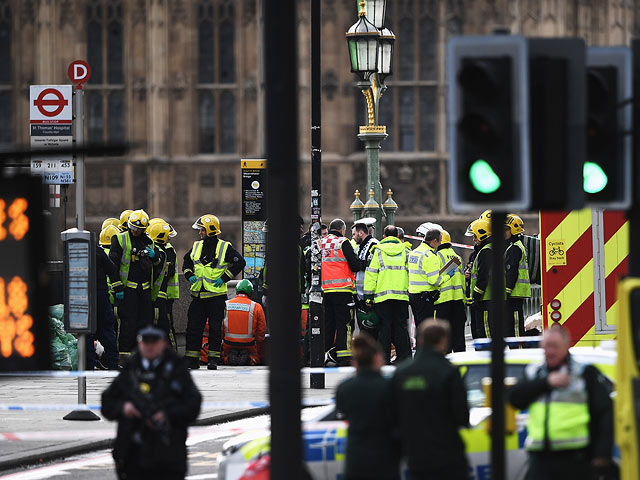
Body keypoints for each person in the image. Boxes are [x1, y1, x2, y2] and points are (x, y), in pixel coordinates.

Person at [509, 324, 613, 480]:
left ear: (566, 346)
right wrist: (546, 382)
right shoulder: (534, 372)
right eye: (545, 347)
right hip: (540, 458)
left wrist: (602, 453)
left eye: (554, 346)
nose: (549, 351)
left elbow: (605, 413)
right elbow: (515, 399)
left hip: (575, 458)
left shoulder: (583, 373)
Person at [102, 326, 202, 480]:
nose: (149, 347)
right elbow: (108, 402)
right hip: (133, 454)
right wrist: (124, 408)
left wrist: (167, 414)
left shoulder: (176, 368)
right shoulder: (131, 369)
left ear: (162, 344)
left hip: (167, 455)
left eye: (153, 343)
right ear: (139, 344)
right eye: (145, 343)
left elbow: (193, 404)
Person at [390, 319, 470, 480]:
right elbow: (461, 416)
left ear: (420, 340)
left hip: (415, 453)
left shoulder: (402, 373)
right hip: (447, 451)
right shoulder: (448, 371)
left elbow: (392, 414)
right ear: (443, 341)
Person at [182, 214, 245, 370]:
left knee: (215, 329)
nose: (200, 233)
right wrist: (189, 275)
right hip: (198, 296)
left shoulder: (224, 247)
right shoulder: (196, 246)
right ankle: (192, 360)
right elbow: (186, 263)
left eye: (202, 230)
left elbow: (240, 262)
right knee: (193, 329)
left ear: (210, 230)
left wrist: (224, 278)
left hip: (216, 297)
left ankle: (213, 360)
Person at [336, 334, 399, 480]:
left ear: (355, 362)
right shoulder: (389, 387)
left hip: (356, 455)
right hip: (385, 455)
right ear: (376, 358)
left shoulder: (345, 388)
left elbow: (344, 413)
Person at [109, 209, 164, 365]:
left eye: (138, 229)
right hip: (128, 291)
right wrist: (118, 288)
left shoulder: (149, 242)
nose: (134, 231)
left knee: (145, 323)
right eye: (132, 227)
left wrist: (155, 257)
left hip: (145, 290)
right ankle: (124, 358)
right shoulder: (120, 240)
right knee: (127, 324)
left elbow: (159, 262)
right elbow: (112, 266)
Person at [364, 225, 411, 364]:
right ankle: (405, 358)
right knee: (401, 327)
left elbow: (371, 275)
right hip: (402, 296)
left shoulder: (377, 252)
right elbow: (411, 273)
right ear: (397, 236)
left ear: (384, 236)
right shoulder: (406, 251)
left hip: (382, 298)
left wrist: (368, 296)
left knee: (384, 328)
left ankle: (383, 359)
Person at [320, 218, 362, 366]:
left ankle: (324, 353)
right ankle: (344, 356)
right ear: (342, 230)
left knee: (328, 324)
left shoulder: (321, 243)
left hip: (326, 290)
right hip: (343, 290)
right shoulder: (343, 242)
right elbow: (355, 265)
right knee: (344, 324)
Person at [87, 225, 121, 370]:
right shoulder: (98, 251)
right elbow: (112, 269)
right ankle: (113, 363)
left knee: (86, 331)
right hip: (100, 293)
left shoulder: (76, 252)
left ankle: (89, 363)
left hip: (83, 295)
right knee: (107, 329)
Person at [408, 228, 452, 330]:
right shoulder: (430, 255)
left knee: (419, 327)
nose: (440, 244)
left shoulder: (414, 252)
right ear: (434, 241)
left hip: (413, 296)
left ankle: (419, 346)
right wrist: (447, 276)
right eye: (440, 241)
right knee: (427, 329)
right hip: (425, 298)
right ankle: (426, 346)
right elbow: (434, 281)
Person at [147, 219, 179, 349]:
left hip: (165, 295)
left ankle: (172, 353)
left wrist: (157, 260)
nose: (169, 239)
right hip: (153, 294)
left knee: (166, 325)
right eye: (167, 236)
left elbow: (168, 272)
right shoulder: (151, 248)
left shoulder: (168, 251)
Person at [434, 230, 467, 352]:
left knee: (444, 336)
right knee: (458, 335)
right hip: (458, 300)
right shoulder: (457, 257)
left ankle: (446, 359)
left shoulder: (437, 256)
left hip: (442, 300)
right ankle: (460, 360)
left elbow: (436, 278)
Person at [222, 279, 266, 365]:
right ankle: (251, 359)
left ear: (236, 291)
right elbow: (262, 330)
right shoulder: (256, 306)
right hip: (249, 344)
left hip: (228, 343)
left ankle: (227, 358)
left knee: (224, 354)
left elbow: (218, 325)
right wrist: (258, 340)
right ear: (251, 292)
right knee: (256, 355)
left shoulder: (226, 304)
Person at [504, 214, 531, 337]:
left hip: (514, 294)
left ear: (513, 230)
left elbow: (512, 272)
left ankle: (518, 352)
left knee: (515, 329)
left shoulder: (514, 248)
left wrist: (506, 292)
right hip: (516, 294)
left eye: (505, 229)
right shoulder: (515, 246)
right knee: (512, 327)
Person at [465, 218, 492, 338]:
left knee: (485, 334)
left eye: (475, 236)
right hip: (488, 298)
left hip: (486, 299)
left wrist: (476, 297)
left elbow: (483, 277)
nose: (474, 239)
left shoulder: (486, 252)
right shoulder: (487, 250)